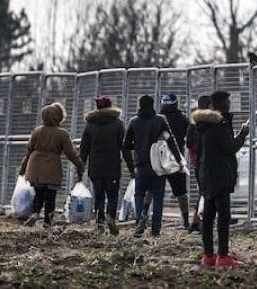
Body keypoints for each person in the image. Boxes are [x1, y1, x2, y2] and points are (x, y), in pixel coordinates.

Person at [194, 91, 250, 267]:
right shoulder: (219, 124)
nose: (230, 104)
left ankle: (208, 255)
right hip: (220, 175)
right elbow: (230, 147)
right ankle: (223, 256)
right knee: (223, 216)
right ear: (221, 104)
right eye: (228, 102)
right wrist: (243, 133)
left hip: (206, 174)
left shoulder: (202, 125)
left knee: (209, 215)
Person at [19, 102, 84, 229]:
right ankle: (47, 222)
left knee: (38, 193)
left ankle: (35, 213)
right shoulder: (62, 133)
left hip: (35, 166)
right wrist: (79, 165)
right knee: (50, 196)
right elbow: (70, 153)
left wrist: (23, 168)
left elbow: (28, 151)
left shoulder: (37, 131)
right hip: (52, 167)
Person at [123, 95, 179, 238]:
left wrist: (131, 165)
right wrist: (178, 159)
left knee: (139, 194)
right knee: (158, 196)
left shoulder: (133, 122)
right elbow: (170, 139)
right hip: (158, 165)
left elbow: (125, 146)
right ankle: (155, 229)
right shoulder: (160, 120)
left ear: (140, 105)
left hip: (141, 164)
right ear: (153, 105)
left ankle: (140, 220)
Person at [79, 96, 128, 235]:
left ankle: (99, 222)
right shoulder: (118, 124)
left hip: (95, 166)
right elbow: (123, 147)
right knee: (112, 194)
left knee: (98, 194)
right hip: (112, 166)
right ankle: (111, 216)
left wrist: (80, 167)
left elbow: (84, 149)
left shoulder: (90, 125)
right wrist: (131, 167)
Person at [159, 93, 192, 230]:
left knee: (153, 191)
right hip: (175, 159)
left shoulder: (157, 119)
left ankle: (147, 217)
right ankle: (185, 221)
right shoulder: (183, 119)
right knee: (181, 192)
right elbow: (189, 137)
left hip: (158, 158)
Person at [185, 95, 212, 234]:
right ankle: (200, 221)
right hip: (207, 161)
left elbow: (189, 142)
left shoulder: (193, 122)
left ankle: (196, 220)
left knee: (203, 191)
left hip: (197, 162)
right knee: (206, 192)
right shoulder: (210, 121)